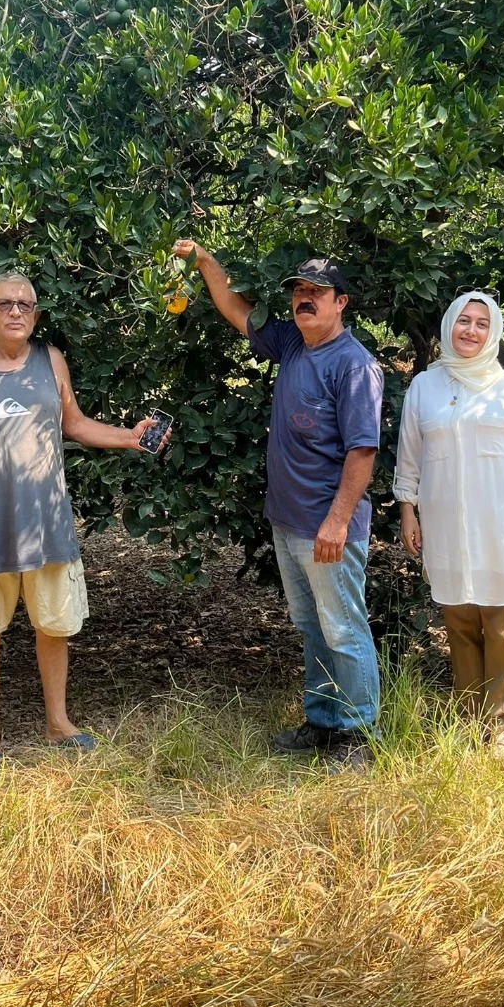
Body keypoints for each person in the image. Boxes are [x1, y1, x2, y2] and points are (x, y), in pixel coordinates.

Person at [0, 273, 168, 771]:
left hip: (47, 525)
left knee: (53, 627)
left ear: (36, 314)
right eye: (5, 303)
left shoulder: (51, 360)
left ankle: (58, 722)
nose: (16, 311)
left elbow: (75, 424)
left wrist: (130, 436)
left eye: (25, 304)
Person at [172, 241, 385, 765]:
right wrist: (204, 261)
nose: (305, 299)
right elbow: (237, 310)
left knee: (344, 627)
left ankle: (358, 735)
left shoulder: (354, 366)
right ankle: (323, 720)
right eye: (299, 291)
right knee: (312, 626)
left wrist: (336, 522)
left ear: (342, 303)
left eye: (317, 292)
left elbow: (363, 452)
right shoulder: (293, 344)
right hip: (289, 522)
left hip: (328, 527)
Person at [393, 292, 504, 756]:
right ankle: (468, 719)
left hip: (500, 523)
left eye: (481, 323)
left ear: (493, 332)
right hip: (444, 522)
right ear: (448, 326)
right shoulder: (424, 385)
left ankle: (502, 726)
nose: (470, 330)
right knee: (460, 621)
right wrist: (408, 508)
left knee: (503, 622)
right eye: (463, 321)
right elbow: (411, 453)